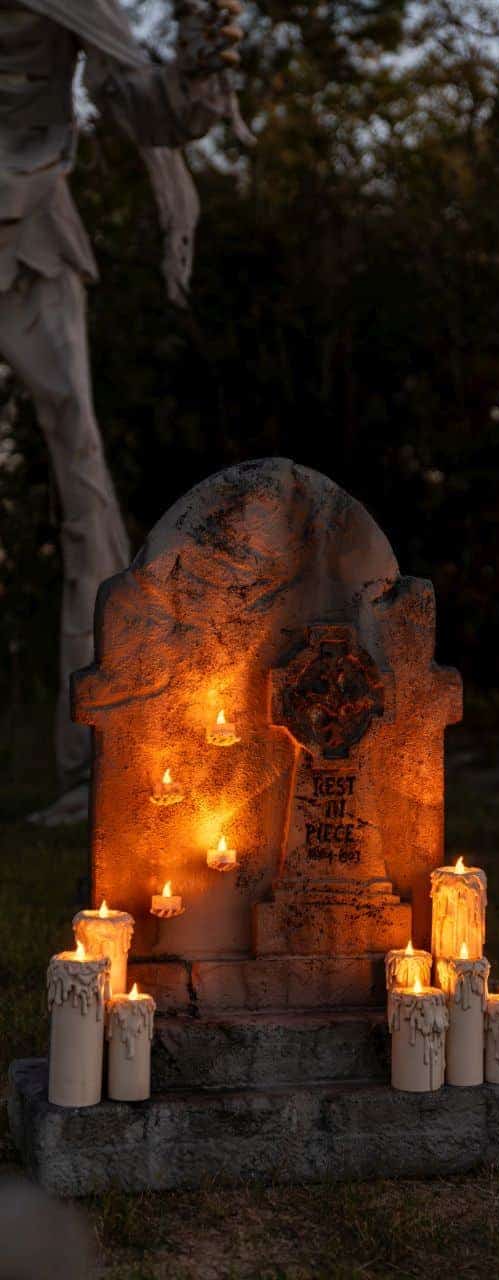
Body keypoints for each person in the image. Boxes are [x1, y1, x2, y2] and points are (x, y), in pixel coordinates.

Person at [0, 0, 245, 823]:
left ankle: (96, 751)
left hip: (31, 240)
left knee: (85, 489)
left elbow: (144, 103)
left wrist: (203, 65)